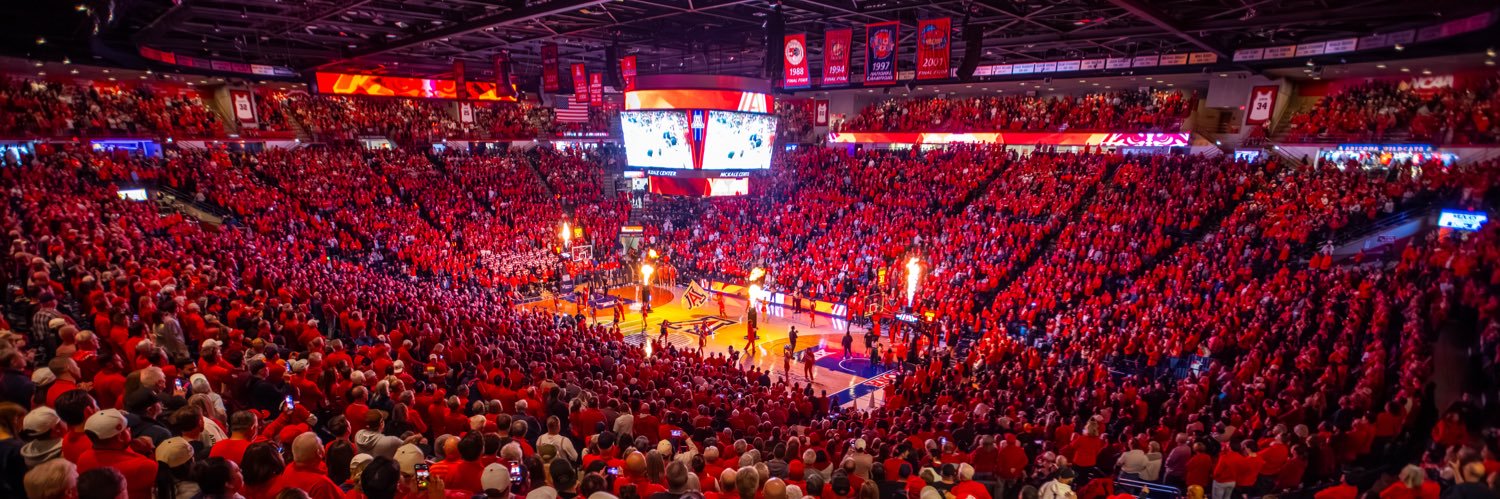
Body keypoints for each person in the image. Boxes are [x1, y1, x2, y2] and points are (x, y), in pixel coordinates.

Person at [75, 409, 157, 499]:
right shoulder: (144, 466)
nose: (129, 429)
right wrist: (150, 451)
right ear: (121, 437)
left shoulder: (83, 458)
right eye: (126, 428)